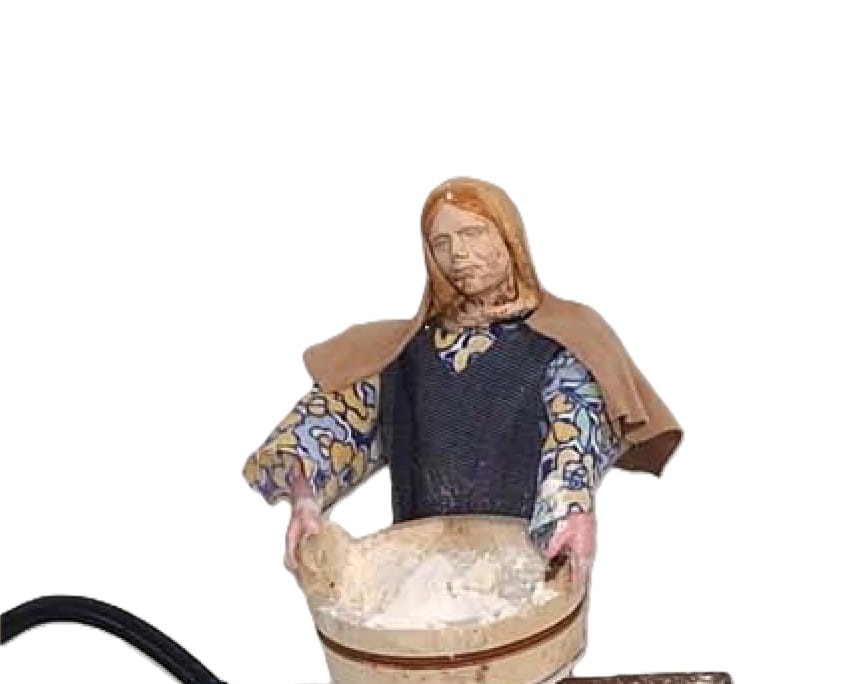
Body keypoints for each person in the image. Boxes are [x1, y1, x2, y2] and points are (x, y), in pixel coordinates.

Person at [243, 178, 682, 583]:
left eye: (473, 233)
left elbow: (576, 424)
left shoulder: (564, 340)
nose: (457, 254)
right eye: (441, 242)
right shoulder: (406, 352)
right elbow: (338, 419)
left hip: (531, 569)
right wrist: (304, 498)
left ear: (507, 236)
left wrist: (571, 510)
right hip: (424, 575)